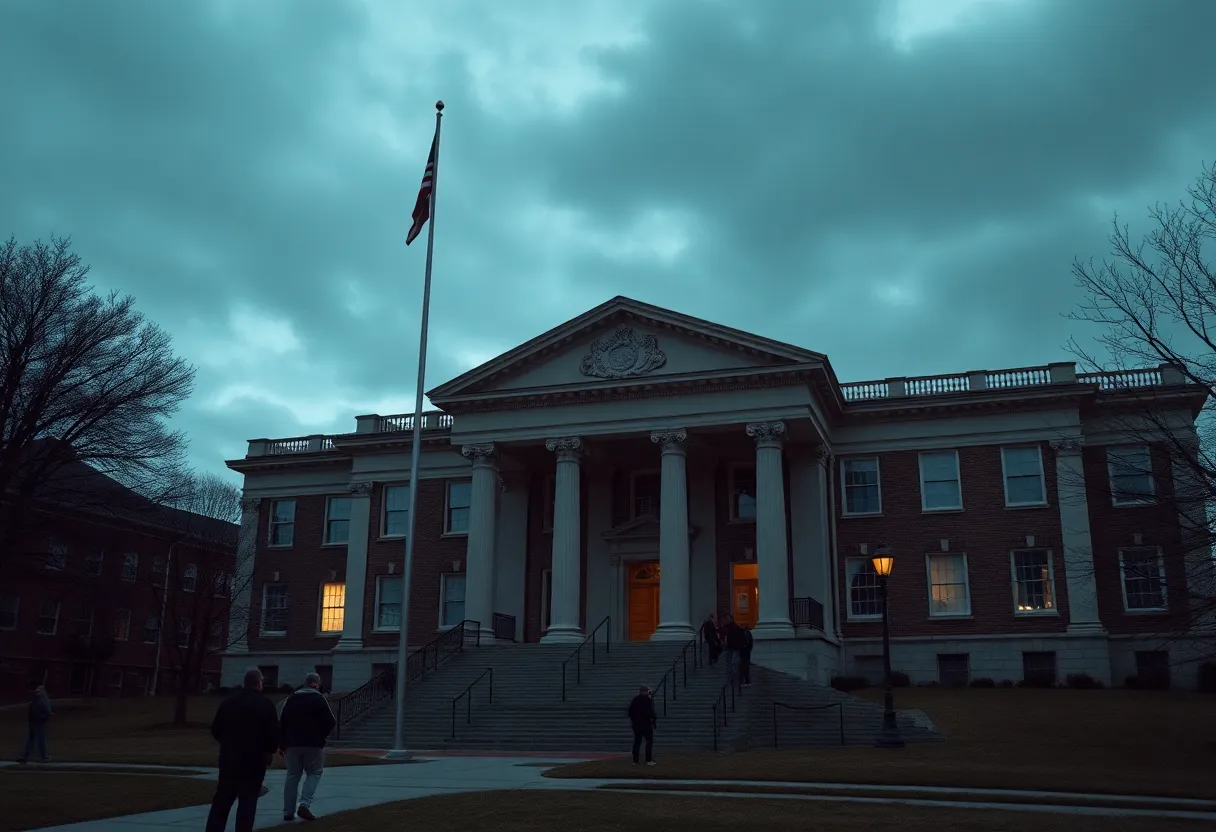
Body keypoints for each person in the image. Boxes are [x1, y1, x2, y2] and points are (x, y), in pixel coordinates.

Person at [205, 667, 281, 832]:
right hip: (255, 760)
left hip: (230, 758)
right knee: (248, 801)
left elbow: (216, 729)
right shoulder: (265, 705)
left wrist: (228, 744)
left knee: (222, 799)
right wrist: (270, 750)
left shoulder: (229, 702)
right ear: (259, 683)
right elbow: (274, 734)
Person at [279, 671, 337, 822]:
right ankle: (304, 803)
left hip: (292, 744)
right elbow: (331, 722)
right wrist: (321, 736)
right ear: (316, 684)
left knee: (292, 775)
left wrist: (282, 744)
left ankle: (288, 811)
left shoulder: (290, 700)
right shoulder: (319, 699)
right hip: (313, 744)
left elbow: (282, 723)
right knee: (315, 772)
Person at [16, 685, 52, 764]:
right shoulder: (39, 701)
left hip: (37, 723)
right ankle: (27, 757)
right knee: (35, 741)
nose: (37, 692)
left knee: (38, 741)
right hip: (35, 724)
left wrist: (41, 718)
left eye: (39, 691)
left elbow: (47, 713)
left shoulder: (41, 701)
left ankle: (40, 757)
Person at [627, 684, 658, 766]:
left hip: (637, 724)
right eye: (646, 691)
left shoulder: (635, 700)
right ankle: (648, 760)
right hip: (645, 724)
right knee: (648, 742)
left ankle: (635, 761)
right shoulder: (647, 700)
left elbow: (630, 712)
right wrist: (653, 719)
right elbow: (650, 712)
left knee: (637, 742)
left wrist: (634, 720)